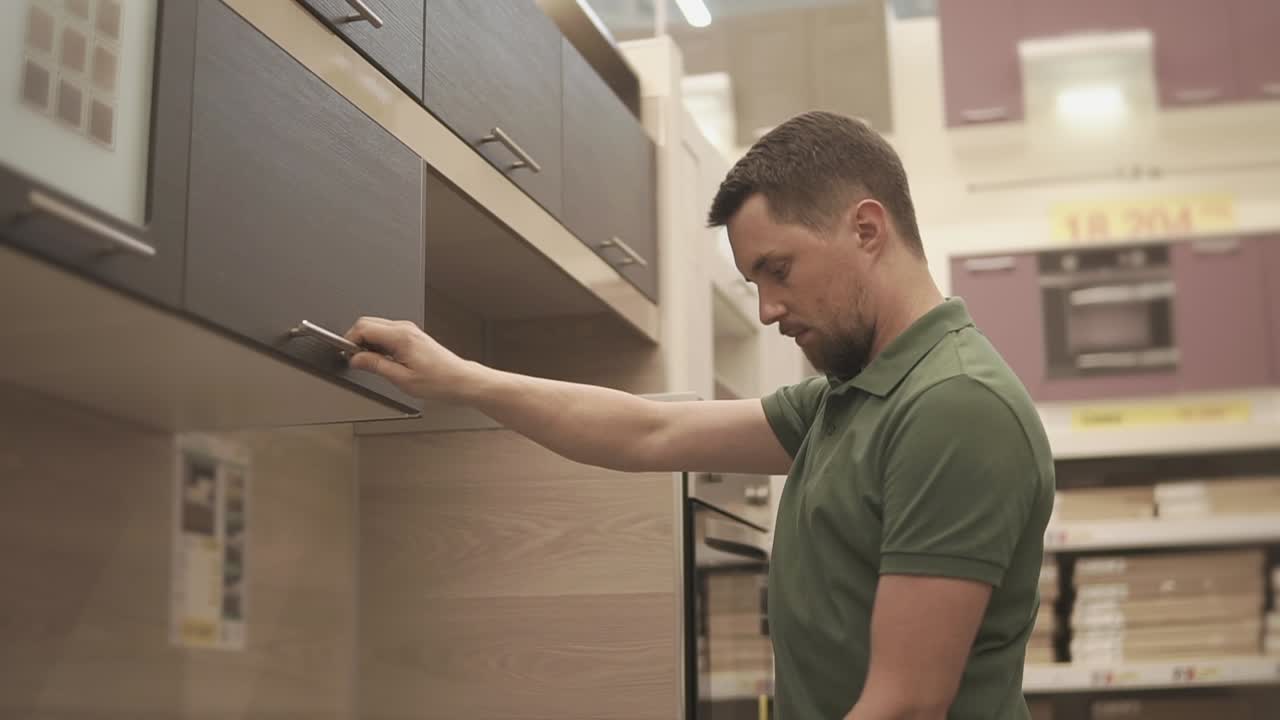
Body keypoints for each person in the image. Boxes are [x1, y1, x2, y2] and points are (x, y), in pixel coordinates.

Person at [344, 110, 1055, 720]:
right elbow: (649, 431)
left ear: (868, 229)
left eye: (779, 270)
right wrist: (460, 378)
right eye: (754, 283)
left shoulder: (954, 405)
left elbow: (905, 705)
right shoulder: (858, 396)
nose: (769, 309)